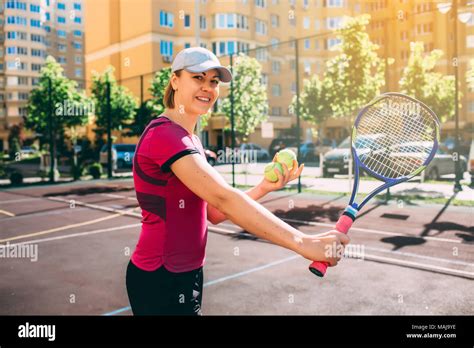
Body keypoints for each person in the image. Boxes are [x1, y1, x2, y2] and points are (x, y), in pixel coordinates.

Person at [125, 47, 350, 316]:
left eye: (214, 81)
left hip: (187, 274)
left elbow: (214, 212)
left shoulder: (190, 140)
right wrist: (303, 243)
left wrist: (265, 187)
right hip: (160, 278)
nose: (207, 87)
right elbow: (223, 198)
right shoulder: (165, 136)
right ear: (175, 81)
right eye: (198, 78)